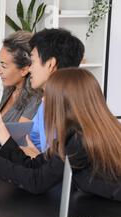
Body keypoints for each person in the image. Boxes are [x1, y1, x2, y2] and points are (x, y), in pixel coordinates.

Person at [0, 68, 121, 203]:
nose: (44, 100)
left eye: (48, 95)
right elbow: (33, 167)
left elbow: (37, 182)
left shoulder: (81, 141)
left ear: (66, 102)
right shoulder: (79, 133)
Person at [25, 28, 85, 156]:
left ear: (51, 64)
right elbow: (31, 141)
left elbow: (55, 167)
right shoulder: (45, 103)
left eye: (33, 62)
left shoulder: (66, 108)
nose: (29, 69)